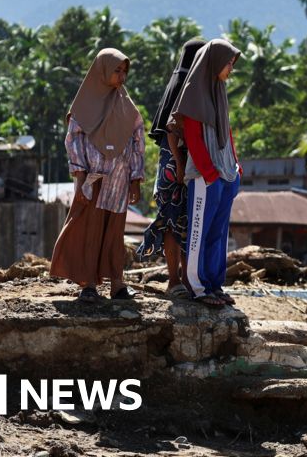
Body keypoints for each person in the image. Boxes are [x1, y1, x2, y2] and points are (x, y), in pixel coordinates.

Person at [50, 48, 145, 303]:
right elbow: (74, 142)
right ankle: (88, 285)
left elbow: (137, 141)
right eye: (117, 70)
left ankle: (117, 284)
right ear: (102, 71)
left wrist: (135, 179)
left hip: (119, 183)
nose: (122, 76)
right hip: (94, 180)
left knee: (115, 234)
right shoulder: (84, 106)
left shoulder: (127, 106)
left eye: (124, 71)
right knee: (89, 232)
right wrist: (80, 180)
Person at [166, 39, 242, 308]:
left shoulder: (219, 91)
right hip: (204, 175)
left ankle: (214, 284)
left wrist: (235, 166)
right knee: (199, 232)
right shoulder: (196, 93)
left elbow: (227, 131)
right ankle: (197, 287)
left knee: (218, 234)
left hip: (225, 174)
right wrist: (209, 173)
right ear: (214, 62)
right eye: (228, 63)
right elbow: (194, 139)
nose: (231, 68)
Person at [136, 38, 206, 297]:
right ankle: (179, 281)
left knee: (174, 222)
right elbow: (172, 130)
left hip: (172, 165)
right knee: (180, 224)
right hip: (178, 166)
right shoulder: (188, 88)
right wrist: (179, 164)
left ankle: (179, 281)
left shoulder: (176, 84)